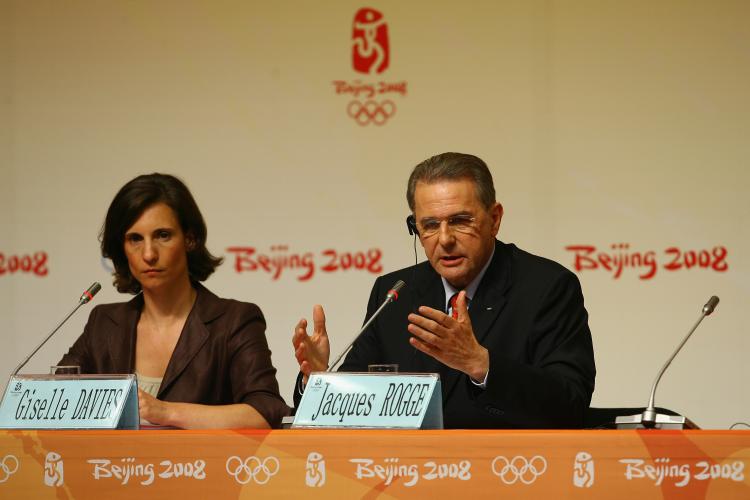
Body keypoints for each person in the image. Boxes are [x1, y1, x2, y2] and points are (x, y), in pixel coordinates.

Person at [293, 152, 595, 428]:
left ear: (494, 219)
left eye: (460, 221)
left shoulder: (546, 287)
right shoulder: (395, 294)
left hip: (508, 473)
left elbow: (571, 403)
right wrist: (322, 382)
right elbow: (360, 407)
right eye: (430, 225)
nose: (445, 238)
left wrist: (481, 364)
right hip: (406, 477)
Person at [59, 173, 288, 429]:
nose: (149, 254)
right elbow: (58, 399)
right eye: (135, 239)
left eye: (163, 235)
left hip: (204, 468)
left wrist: (165, 412)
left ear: (190, 239)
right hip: (112, 468)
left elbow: (265, 412)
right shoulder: (104, 323)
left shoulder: (234, 321)